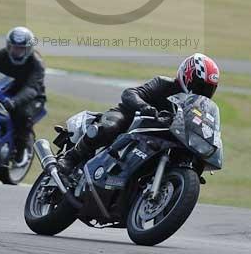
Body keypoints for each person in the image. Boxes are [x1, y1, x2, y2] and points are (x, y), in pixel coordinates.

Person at [59, 53, 220, 173]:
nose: (203, 92)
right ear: (188, 76)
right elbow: (130, 93)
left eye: (208, 89)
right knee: (110, 125)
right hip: (131, 119)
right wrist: (143, 106)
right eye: (200, 86)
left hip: (162, 139)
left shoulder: (197, 107)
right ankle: (71, 158)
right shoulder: (164, 84)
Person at [0, 27, 46, 164]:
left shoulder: (37, 64)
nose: (15, 51)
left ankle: (21, 149)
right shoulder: (1, 55)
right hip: (6, 92)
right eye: (13, 47)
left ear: (28, 49)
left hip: (32, 97)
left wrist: (15, 101)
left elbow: (31, 89)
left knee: (21, 115)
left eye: (20, 48)